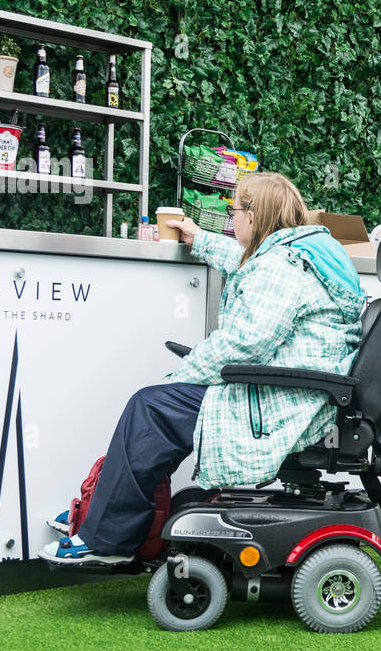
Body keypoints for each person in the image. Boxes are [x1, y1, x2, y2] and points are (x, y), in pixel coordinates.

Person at [43, 172, 364, 564]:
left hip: (282, 404)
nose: (232, 219)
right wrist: (201, 239)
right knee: (160, 406)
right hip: (296, 395)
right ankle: (102, 515)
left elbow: (245, 343)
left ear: (256, 216)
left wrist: (184, 373)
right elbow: (252, 268)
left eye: (236, 211)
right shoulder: (301, 253)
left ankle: (104, 539)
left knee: (152, 406)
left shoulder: (280, 268)